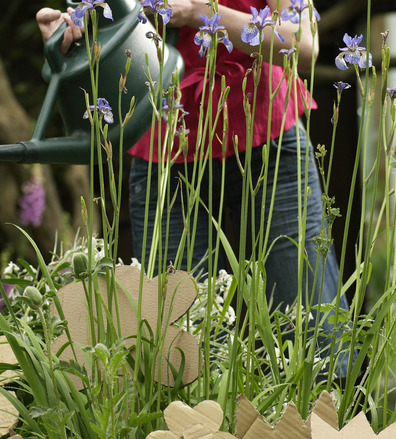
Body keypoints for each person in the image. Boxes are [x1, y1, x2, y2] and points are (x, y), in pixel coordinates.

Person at [37, 0, 351, 374]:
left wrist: (198, 11)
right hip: (163, 151)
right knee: (182, 352)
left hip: (269, 136)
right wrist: (74, 36)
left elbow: (303, 45)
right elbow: (111, 33)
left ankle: (314, 432)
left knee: (311, 336)